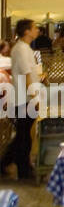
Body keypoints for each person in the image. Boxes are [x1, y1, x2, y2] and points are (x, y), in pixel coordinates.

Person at [0, 20, 40, 181]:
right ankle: (23, 169)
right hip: (23, 99)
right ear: (27, 31)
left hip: (25, 98)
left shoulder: (24, 48)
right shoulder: (21, 49)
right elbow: (25, 74)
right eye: (34, 28)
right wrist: (34, 96)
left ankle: (7, 163)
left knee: (22, 135)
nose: (37, 30)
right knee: (24, 136)